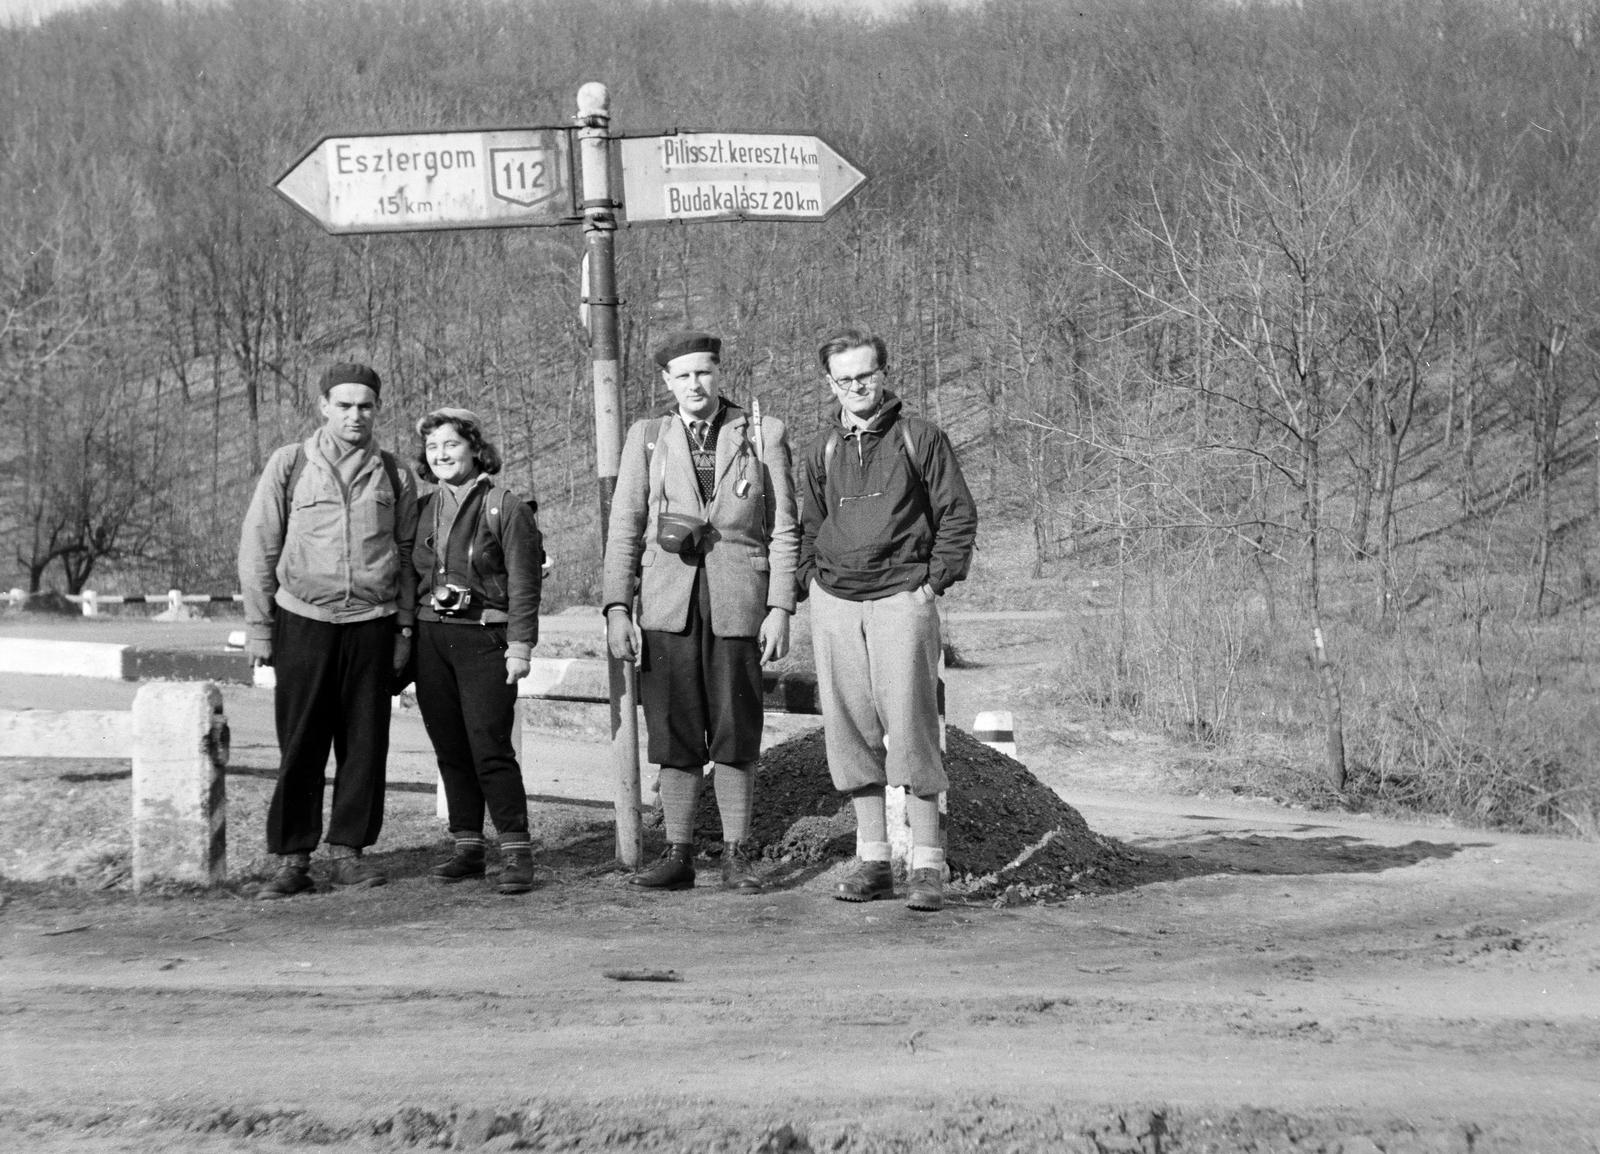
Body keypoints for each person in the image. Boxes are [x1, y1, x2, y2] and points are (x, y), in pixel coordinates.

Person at [603, 330, 799, 893]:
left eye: (704, 372)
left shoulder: (763, 433)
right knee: (674, 728)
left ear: (719, 374)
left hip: (740, 601)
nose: (695, 383)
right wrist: (619, 606)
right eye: (683, 375)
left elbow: (784, 528)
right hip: (668, 604)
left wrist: (781, 605)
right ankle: (679, 852)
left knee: (736, 728)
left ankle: (737, 854)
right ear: (667, 382)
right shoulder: (647, 438)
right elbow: (625, 529)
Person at [796, 328, 978, 912]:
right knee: (849, 730)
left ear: (883, 374)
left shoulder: (919, 437)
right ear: (831, 384)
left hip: (903, 597)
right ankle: (873, 858)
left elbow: (957, 514)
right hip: (836, 604)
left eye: (865, 376)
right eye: (844, 379)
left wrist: (932, 583)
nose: (856, 387)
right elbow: (808, 524)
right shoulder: (820, 449)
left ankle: (927, 863)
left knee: (913, 724)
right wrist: (811, 581)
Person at [238, 362, 418, 899]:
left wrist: (405, 630)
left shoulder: (396, 472)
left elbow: (409, 557)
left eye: (365, 405)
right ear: (322, 406)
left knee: (364, 743)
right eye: (343, 405)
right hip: (303, 621)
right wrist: (259, 628)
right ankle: (293, 860)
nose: (355, 415)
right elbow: (259, 547)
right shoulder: (290, 464)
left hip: (373, 624)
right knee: (301, 742)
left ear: (376, 409)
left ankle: (349, 854)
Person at [412, 408, 543, 895]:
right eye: (433, 448)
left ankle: (516, 852)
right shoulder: (425, 506)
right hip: (432, 638)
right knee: (450, 747)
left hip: (485, 638)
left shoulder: (505, 505)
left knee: (490, 746)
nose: (442, 455)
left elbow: (526, 583)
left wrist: (520, 645)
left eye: (451, 444)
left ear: (474, 448)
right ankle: (466, 847)